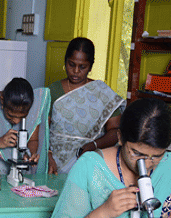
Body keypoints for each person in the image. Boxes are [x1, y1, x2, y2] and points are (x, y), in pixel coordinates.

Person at [44, 98, 171, 218]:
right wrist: (103, 212)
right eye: (137, 154)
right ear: (120, 137)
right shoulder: (90, 167)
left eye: (157, 156)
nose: (146, 164)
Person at [46, 37, 125, 174]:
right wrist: (48, 155)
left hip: (88, 160)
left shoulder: (102, 93)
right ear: (65, 61)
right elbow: (42, 130)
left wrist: (93, 145)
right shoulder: (54, 90)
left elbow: (115, 132)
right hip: (54, 163)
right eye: (71, 64)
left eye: (82, 67)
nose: (76, 71)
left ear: (91, 66)